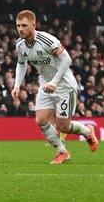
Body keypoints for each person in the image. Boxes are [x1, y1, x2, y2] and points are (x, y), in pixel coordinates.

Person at [10, 9, 98, 164]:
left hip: (63, 85)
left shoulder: (47, 40)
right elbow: (21, 64)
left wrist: (55, 82)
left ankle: (87, 131)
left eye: (24, 25)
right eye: (18, 26)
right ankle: (62, 152)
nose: (20, 29)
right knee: (41, 120)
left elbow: (67, 60)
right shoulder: (20, 45)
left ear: (34, 25)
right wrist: (17, 85)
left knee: (63, 126)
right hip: (45, 84)